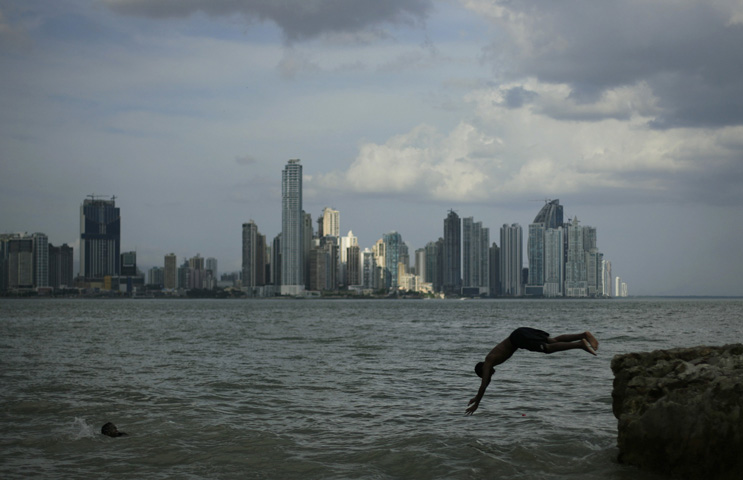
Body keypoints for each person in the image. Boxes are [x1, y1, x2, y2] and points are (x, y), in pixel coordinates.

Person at [465, 327, 599, 415]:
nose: (488, 375)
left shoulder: (488, 361)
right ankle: (583, 335)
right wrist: (477, 397)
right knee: (553, 340)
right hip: (520, 333)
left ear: (483, 369)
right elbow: (486, 383)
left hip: (519, 338)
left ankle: (580, 344)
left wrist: (477, 404)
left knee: (547, 348)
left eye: (485, 375)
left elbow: (483, 385)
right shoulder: (491, 360)